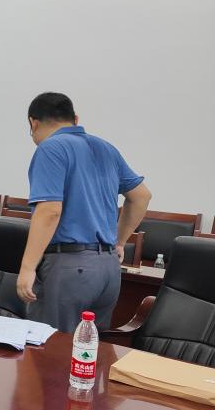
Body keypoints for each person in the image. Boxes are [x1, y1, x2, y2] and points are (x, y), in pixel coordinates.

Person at [15, 92, 151, 333]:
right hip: (108, 270)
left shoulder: (51, 148)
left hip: (70, 268)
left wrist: (27, 268)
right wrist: (119, 242)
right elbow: (141, 196)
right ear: (75, 119)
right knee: (88, 349)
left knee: (49, 347)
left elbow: (49, 211)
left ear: (32, 123)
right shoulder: (106, 148)